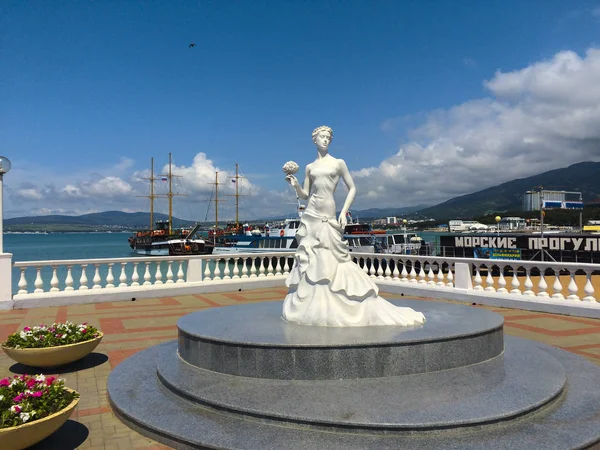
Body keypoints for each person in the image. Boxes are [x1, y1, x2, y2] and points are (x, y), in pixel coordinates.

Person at [283, 126, 426, 327]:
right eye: (321, 137)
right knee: (312, 256)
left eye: (327, 138)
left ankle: (336, 302)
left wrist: (343, 212)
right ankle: (313, 304)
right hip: (311, 212)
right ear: (314, 140)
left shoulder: (338, 163)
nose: (325, 140)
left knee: (332, 255)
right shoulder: (309, 167)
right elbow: (305, 195)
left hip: (328, 212)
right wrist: (295, 185)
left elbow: (353, 188)